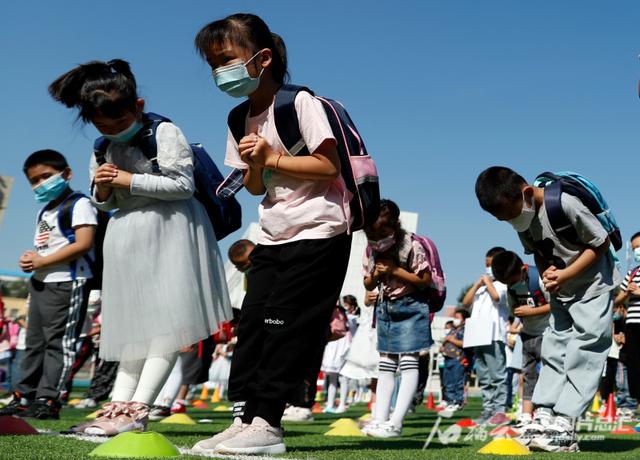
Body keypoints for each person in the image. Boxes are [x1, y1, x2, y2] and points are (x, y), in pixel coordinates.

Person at [192, 14, 352, 455]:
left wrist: (271, 157)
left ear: (262, 58)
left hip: (320, 230)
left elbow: (328, 166)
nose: (218, 71)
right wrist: (258, 165)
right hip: (273, 233)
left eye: (225, 59)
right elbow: (255, 186)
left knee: (286, 325)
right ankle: (245, 417)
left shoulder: (300, 104)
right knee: (256, 324)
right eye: (212, 64)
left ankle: (269, 422)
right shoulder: (238, 116)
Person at [48, 59, 232, 435]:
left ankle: (139, 407)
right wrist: (102, 189)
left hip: (172, 231)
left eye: (119, 124)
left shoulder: (163, 131)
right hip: (127, 236)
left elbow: (182, 185)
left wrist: (128, 179)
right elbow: (106, 204)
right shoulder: (102, 148)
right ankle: (116, 405)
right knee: (131, 326)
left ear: (139, 107)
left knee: (165, 324)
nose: (112, 132)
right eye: (102, 127)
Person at [475, 166, 620, 452]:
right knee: (555, 347)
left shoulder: (564, 203)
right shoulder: (522, 220)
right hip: (561, 291)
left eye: (512, 216)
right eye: (504, 221)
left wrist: (565, 275)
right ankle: (545, 412)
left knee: (586, 347)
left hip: (593, 285)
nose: (512, 223)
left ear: (526, 194)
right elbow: (539, 252)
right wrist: (548, 276)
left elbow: (600, 242)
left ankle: (565, 421)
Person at [0, 150, 97, 420]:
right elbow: (46, 245)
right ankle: (23, 395)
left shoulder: (79, 204)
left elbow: (83, 243)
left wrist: (43, 261)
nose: (40, 184)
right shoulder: (45, 209)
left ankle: (49, 397)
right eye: (34, 180)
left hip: (68, 282)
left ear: (66, 174)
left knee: (59, 343)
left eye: (46, 177)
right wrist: (31, 260)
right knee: (33, 343)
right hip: (41, 284)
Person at [360, 199, 432, 438]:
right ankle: (379, 418)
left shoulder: (411, 245)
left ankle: (396, 422)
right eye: (371, 233)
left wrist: (394, 270)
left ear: (395, 226)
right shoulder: (370, 249)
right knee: (386, 365)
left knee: (409, 363)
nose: (376, 237)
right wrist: (375, 275)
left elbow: (424, 280)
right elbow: (367, 282)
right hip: (386, 307)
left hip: (411, 307)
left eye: (382, 232)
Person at [491, 250, 551, 437]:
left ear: (523, 268)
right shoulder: (511, 288)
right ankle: (526, 416)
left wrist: (531, 312)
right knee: (528, 375)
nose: (511, 285)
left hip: (549, 332)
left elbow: (556, 304)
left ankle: (546, 413)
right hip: (528, 334)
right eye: (507, 283)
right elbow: (514, 310)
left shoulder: (539, 278)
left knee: (550, 373)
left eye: (512, 280)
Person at [461, 247, 509, 426]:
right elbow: (466, 303)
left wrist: (488, 282)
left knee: (498, 376)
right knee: (484, 377)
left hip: (494, 335)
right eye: (486, 264)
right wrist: (477, 285)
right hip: (477, 335)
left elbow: (497, 298)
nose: (487, 268)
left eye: (491, 265)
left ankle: (499, 411)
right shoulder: (481, 288)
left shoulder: (503, 284)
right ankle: (487, 410)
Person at [614, 231, 640, 414]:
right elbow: (619, 299)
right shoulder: (633, 273)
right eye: (635, 248)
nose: (637, 251)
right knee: (634, 367)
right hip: (632, 324)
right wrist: (626, 294)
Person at [440, 309, 469, 415]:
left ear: (465, 320)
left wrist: (451, 340)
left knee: (457, 381)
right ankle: (450, 401)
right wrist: (443, 346)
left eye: (458, 318)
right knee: (448, 382)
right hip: (447, 358)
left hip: (458, 359)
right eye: (455, 318)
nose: (455, 320)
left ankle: (458, 401)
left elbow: (464, 343)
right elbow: (445, 340)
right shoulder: (452, 329)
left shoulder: (465, 330)